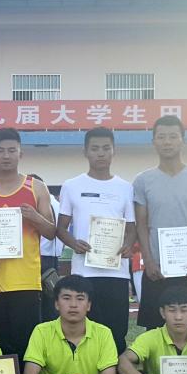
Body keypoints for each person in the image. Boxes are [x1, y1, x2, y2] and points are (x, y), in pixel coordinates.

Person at [134, 115, 187, 331]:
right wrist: (148, 261)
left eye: (173, 136)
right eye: (161, 137)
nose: (167, 142)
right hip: (158, 271)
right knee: (156, 333)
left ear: (183, 140)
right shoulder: (143, 180)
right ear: (153, 141)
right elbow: (141, 225)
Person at [56, 127, 136, 352]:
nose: (100, 153)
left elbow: (132, 228)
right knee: (83, 331)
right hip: (84, 273)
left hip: (116, 272)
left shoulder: (125, 187)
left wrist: (128, 245)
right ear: (85, 152)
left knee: (116, 332)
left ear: (114, 151)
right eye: (95, 148)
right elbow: (61, 228)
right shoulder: (72, 186)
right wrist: (74, 243)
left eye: (106, 148)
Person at [0, 129, 56, 360]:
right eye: (0, 150)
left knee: (26, 344)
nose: (6, 156)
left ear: (20, 153)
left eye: (11, 150)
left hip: (27, 281)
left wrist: (34, 217)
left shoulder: (36, 187)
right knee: (0, 343)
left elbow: (51, 232)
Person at [34, 177, 64, 322]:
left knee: (38, 300)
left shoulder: (39, 202)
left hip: (39, 255)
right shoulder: (58, 204)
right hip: (53, 257)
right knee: (51, 300)